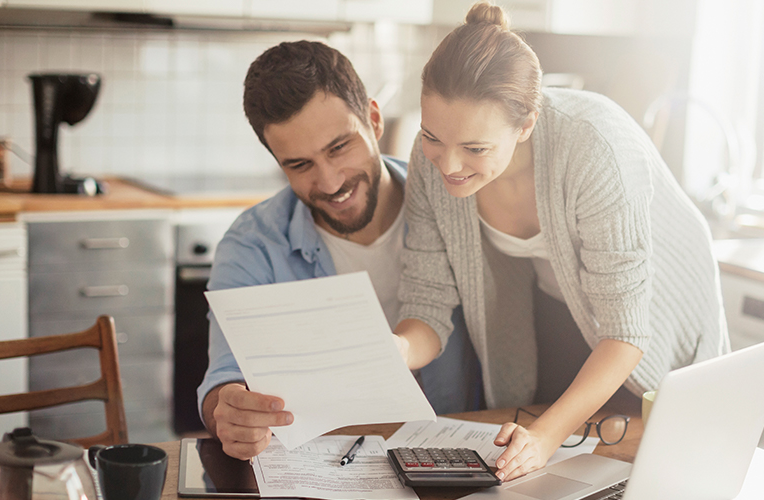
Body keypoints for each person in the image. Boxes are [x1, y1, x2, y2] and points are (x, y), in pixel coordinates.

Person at [392, 1, 730, 482]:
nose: (447, 165)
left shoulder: (595, 147)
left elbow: (625, 332)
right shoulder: (431, 163)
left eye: (475, 148)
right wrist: (397, 350)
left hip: (654, 310)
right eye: (432, 137)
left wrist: (546, 437)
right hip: (558, 298)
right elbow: (426, 303)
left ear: (526, 124)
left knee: (647, 453)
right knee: (554, 459)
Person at [197, 40, 482, 461]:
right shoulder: (252, 244)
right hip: (326, 465)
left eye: (339, 148)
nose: (330, 182)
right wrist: (230, 411)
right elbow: (224, 379)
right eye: (299, 165)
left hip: (460, 457)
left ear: (374, 118)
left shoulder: (453, 203)